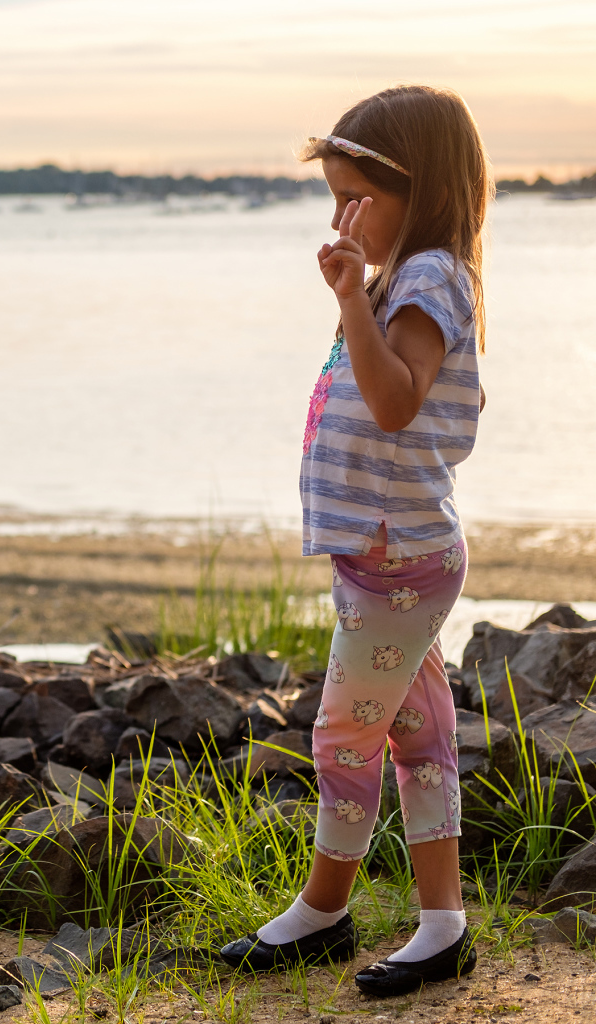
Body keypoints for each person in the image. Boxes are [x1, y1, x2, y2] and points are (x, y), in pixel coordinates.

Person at [218, 86, 490, 997]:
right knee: (417, 733)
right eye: (333, 197)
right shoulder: (398, 280)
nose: (341, 217)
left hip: (400, 561)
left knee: (343, 735)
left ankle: (324, 908)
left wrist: (347, 305)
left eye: (356, 198)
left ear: (424, 191)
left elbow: (395, 401)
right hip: (384, 557)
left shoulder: (428, 280)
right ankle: (442, 923)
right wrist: (354, 297)